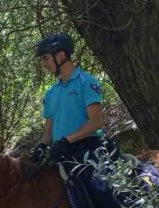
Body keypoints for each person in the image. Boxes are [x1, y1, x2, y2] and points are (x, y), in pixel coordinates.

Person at [31, 32, 106, 165]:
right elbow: (49, 130)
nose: (44, 63)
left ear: (61, 55)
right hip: (61, 154)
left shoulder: (86, 81)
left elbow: (96, 122)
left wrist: (66, 140)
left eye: (45, 58)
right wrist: (41, 146)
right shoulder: (51, 92)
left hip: (89, 153)